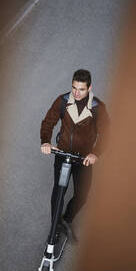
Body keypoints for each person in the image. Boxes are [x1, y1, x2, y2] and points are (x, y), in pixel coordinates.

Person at [40, 69, 110, 242]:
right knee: (59, 192)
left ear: (89, 88)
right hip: (63, 154)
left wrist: (95, 153)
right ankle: (55, 226)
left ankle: (66, 219)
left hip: (83, 159)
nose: (77, 93)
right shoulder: (62, 101)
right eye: (74, 88)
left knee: (83, 195)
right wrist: (45, 142)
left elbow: (107, 134)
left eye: (81, 89)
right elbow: (48, 122)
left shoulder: (97, 108)